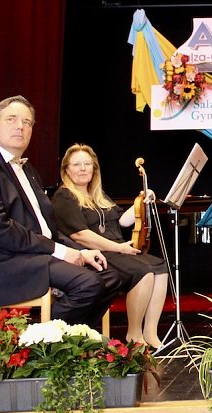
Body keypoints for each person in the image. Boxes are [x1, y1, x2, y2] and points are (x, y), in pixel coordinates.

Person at [0, 95, 123, 326]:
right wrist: (60, 252)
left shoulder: (27, 168)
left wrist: (79, 251)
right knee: (87, 283)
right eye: (11, 119)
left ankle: (71, 341)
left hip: (30, 254)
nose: (20, 126)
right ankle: (38, 341)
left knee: (111, 276)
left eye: (27, 122)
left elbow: (47, 228)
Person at [51, 143, 169, 350]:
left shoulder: (97, 195)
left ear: (94, 168)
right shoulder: (65, 196)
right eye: (76, 164)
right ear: (66, 169)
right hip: (98, 253)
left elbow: (122, 222)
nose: (82, 168)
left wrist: (142, 201)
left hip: (116, 248)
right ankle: (134, 333)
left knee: (160, 267)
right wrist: (120, 248)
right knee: (144, 271)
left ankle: (151, 333)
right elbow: (81, 236)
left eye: (87, 164)